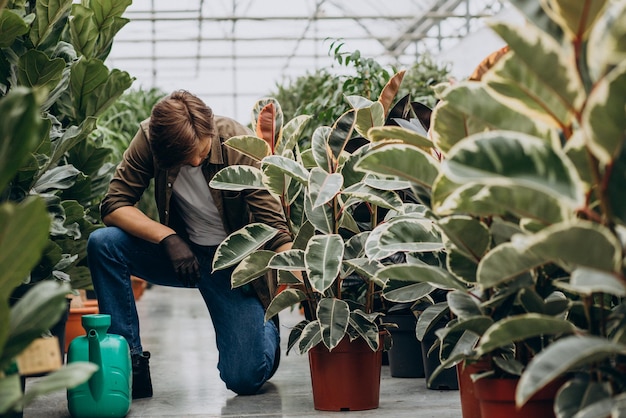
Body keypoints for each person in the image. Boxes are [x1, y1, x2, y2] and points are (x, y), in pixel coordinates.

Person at [87, 90, 293, 398]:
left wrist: (298, 280)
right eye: (187, 158)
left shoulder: (237, 142)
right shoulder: (150, 138)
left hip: (232, 265)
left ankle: (265, 329)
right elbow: (114, 204)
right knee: (104, 244)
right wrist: (167, 238)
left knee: (244, 379)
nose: (197, 160)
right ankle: (128, 363)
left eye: (202, 150)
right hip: (182, 257)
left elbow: (275, 228)